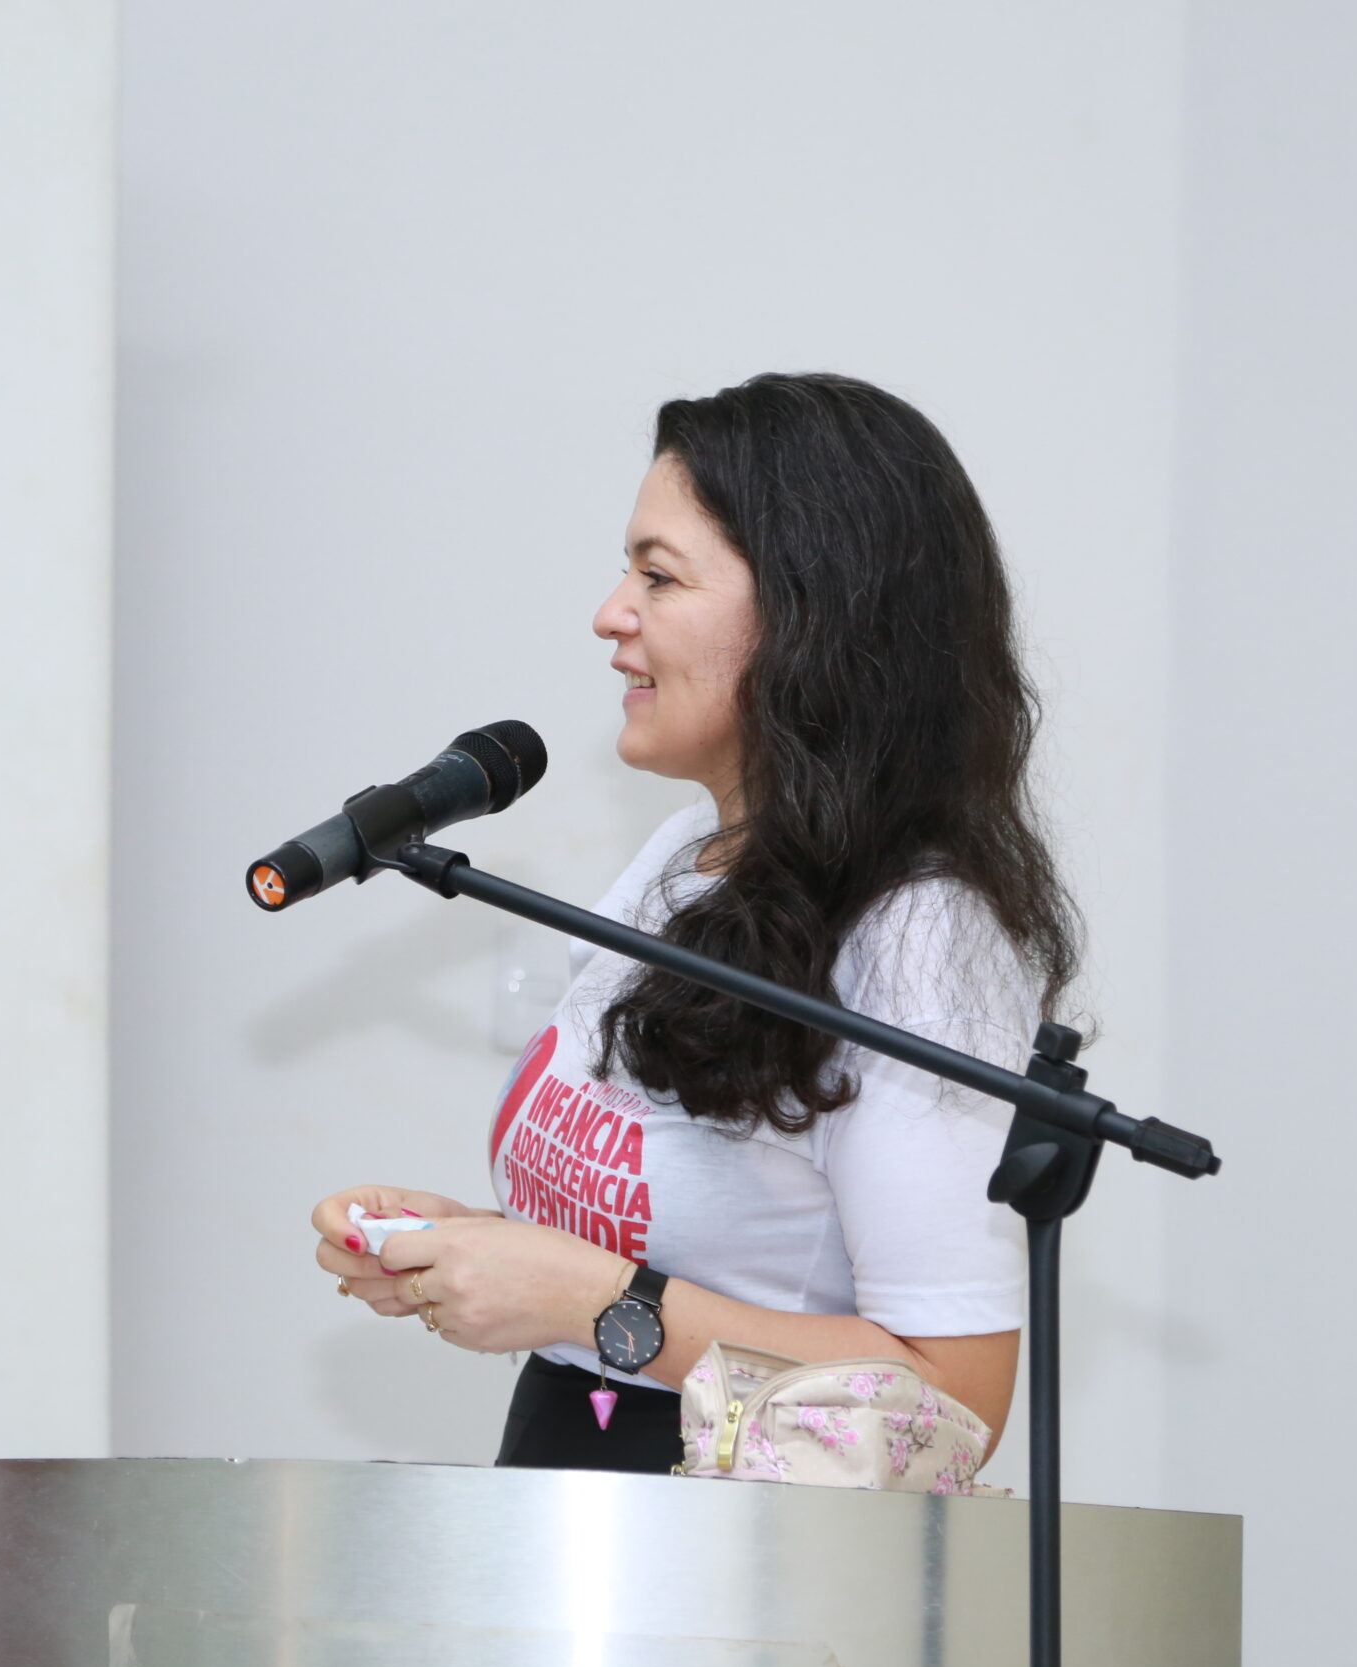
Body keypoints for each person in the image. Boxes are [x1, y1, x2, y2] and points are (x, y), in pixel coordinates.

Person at [310, 372, 1080, 1474]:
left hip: (744, 1546)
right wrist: (481, 1250)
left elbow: (951, 1397)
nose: (610, 613)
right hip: (578, 1485)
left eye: (658, 576)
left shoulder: (920, 937)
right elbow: (688, 1248)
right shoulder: (685, 853)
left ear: (812, 617)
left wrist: (597, 1301)